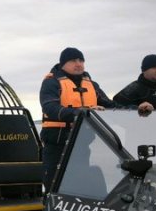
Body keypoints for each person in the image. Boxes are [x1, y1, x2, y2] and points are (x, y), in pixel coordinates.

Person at [40, 47, 115, 191]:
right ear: (63, 64)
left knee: (78, 185)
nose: (78, 64)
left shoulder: (91, 85)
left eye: (81, 60)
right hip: (57, 144)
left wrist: (136, 108)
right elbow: (50, 108)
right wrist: (81, 112)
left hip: (81, 143)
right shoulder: (51, 82)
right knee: (54, 187)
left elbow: (111, 105)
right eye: (73, 60)